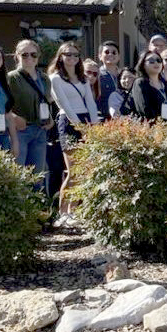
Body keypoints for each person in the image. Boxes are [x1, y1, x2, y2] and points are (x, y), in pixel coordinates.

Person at [49, 42, 100, 226]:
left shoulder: (83, 78)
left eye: (75, 55)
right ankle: (62, 212)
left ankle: (74, 211)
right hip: (68, 122)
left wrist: (93, 126)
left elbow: (91, 103)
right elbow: (64, 104)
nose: (71, 58)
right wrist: (79, 126)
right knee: (72, 171)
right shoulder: (56, 78)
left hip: (86, 121)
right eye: (67, 54)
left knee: (83, 172)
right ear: (60, 56)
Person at [8, 40, 52, 179]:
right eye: (24, 55)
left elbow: (46, 101)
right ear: (17, 56)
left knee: (37, 177)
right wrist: (14, 117)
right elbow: (1, 105)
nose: (29, 58)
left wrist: (50, 118)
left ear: (38, 57)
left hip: (40, 130)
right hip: (20, 131)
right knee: (18, 175)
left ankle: (37, 201)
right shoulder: (11, 78)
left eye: (33, 55)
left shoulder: (44, 78)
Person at [126, 51, 167, 125]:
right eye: (151, 61)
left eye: (158, 60)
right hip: (150, 128)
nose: (156, 63)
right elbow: (144, 110)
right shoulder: (140, 83)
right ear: (143, 64)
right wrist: (160, 126)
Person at [97, 41, 120, 116]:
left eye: (114, 52)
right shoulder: (96, 75)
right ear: (100, 56)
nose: (110, 54)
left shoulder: (124, 75)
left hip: (124, 118)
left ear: (119, 56)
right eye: (106, 52)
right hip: (103, 117)